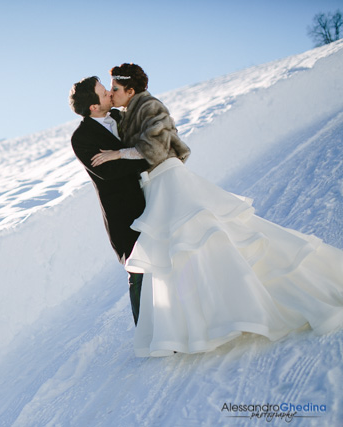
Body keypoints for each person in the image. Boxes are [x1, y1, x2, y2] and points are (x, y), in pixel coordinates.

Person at [93, 63, 343, 357]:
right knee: (180, 252)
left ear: (131, 91)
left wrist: (116, 154)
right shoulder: (125, 113)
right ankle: (196, 321)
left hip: (170, 179)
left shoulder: (149, 105)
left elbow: (156, 147)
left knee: (204, 238)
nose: (111, 93)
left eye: (115, 89)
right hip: (155, 185)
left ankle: (247, 305)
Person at [69, 76, 149, 325]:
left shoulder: (122, 117)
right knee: (138, 270)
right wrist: (145, 159)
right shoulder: (81, 138)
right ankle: (146, 332)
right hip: (123, 211)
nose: (110, 95)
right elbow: (108, 173)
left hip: (153, 197)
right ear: (93, 107)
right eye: (104, 93)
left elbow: (150, 143)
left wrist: (121, 155)